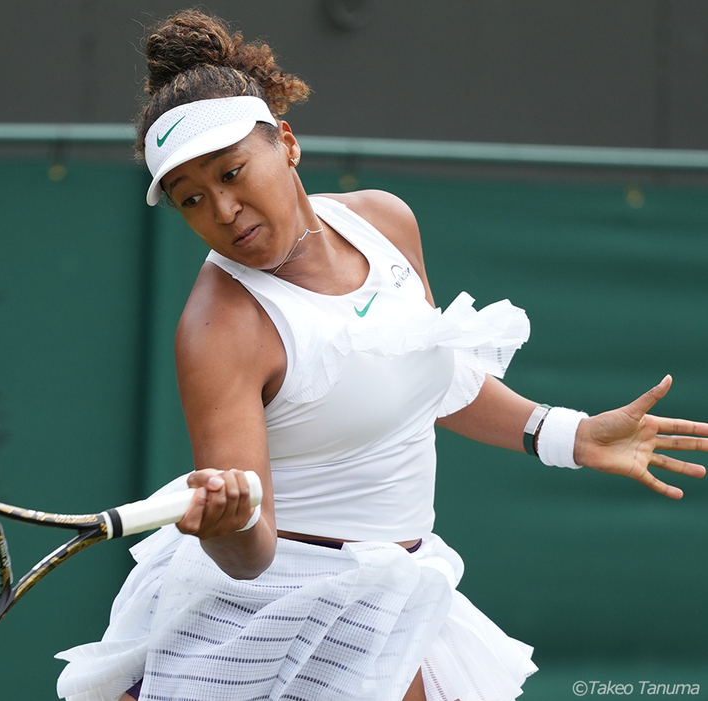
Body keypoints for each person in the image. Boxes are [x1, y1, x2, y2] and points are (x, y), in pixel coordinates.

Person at [55, 11, 708, 701]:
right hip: (272, 618)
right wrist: (231, 522)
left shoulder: (383, 220)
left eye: (233, 171)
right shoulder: (221, 328)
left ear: (287, 142)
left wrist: (568, 434)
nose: (224, 208)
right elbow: (251, 553)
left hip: (400, 595)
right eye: (192, 198)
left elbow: (425, 375)